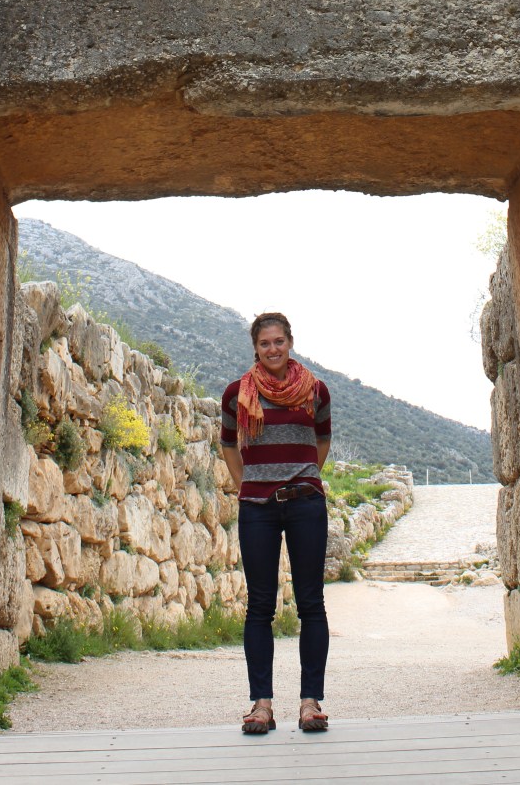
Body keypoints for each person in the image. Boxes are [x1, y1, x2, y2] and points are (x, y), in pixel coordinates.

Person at [220, 312, 331, 735]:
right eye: (265, 343)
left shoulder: (315, 391)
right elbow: (228, 443)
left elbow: (322, 439)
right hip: (257, 509)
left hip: (305, 505)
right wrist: (244, 484)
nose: (273, 349)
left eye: (279, 342)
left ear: (290, 343)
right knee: (260, 606)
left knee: (311, 603)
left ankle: (310, 703)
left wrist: (303, 476)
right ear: (255, 347)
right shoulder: (236, 394)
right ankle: (261, 705)